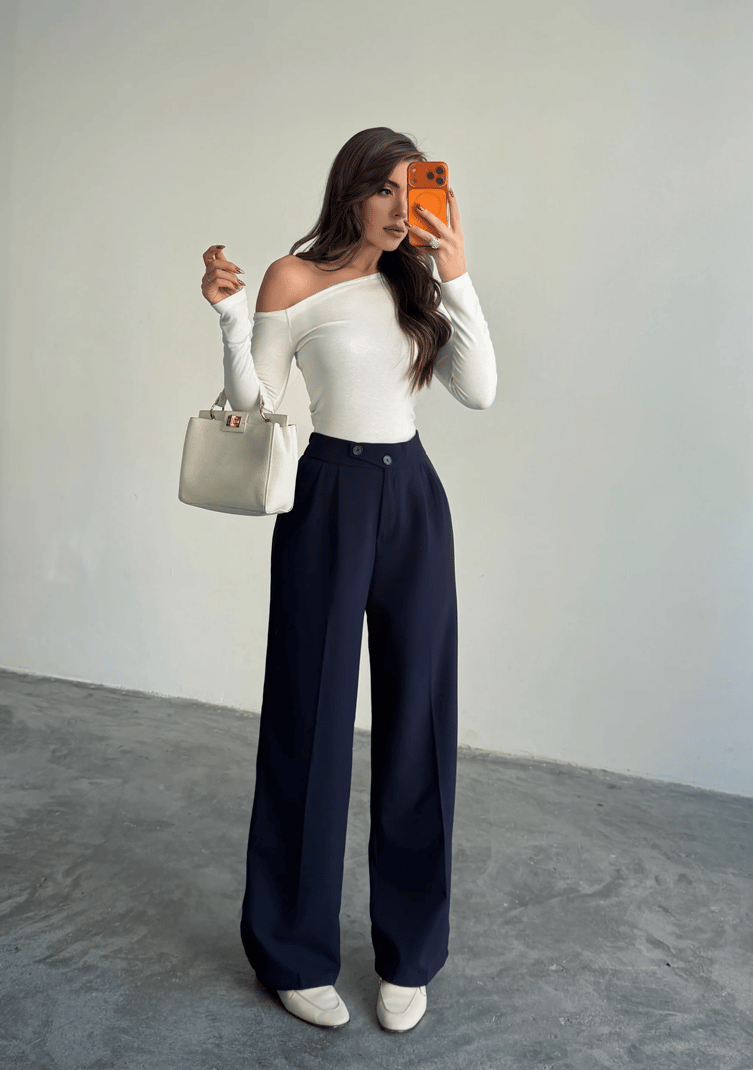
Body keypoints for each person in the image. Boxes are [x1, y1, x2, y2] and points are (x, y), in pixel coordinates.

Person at [199, 127, 497, 1032]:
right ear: (353, 193)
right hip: (328, 491)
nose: (405, 211)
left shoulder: (418, 283)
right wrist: (231, 316)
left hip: (413, 497)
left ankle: (411, 955)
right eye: (388, 193)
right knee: (310, 715)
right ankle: (292, 952)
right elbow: (256, 406)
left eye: (418, 192)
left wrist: (456, 273)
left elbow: (479, 389)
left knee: (419, 723)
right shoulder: (295, 280)